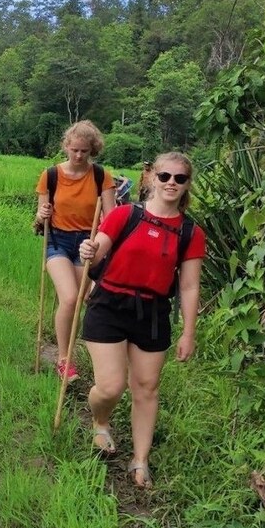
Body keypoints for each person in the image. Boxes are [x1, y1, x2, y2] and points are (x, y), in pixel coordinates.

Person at [77, 151, 206, 488]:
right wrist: (87, 251)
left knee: (146, 388)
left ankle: (140, 459)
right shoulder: (124, 215)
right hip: (108, 304)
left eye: (180, 178)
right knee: (110, 386)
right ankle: (100, 422)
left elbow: (190, 286)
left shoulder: (191, 232)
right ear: (151, 178)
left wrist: (188, 332)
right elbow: (99, 249)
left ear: (187, 184)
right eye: (165, 176)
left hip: (152, 312)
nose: (172, 183)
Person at [34, 120, 116, 382]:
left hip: (88, 243)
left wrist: (100, 242)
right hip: (57, 242)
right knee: (69, 298)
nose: (79, 156)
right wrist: (41, 214)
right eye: (75, 150)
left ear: (93, 150)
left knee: (88, 299)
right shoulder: (51, 175)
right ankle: (63, 360)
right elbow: (39, 218)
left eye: (85, 151)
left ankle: (96, 354)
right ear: (66, 147)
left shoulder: (102, 176)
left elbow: (113, 219)